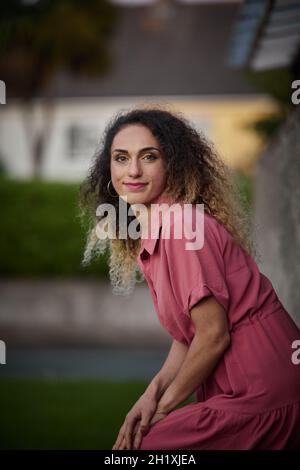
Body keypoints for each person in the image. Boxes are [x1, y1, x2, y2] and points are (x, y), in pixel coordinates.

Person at [79, 106, 300, 450]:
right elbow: (189, 337)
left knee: (149, 446)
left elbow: (213, 334)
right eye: (121, 158)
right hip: (256, 388)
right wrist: (149, 397)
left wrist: (163, 411)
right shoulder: (163, 230)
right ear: (108, 169)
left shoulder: (181, 227)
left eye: (149, 156)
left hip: (265, 392)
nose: (132, 170)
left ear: (173, 163)